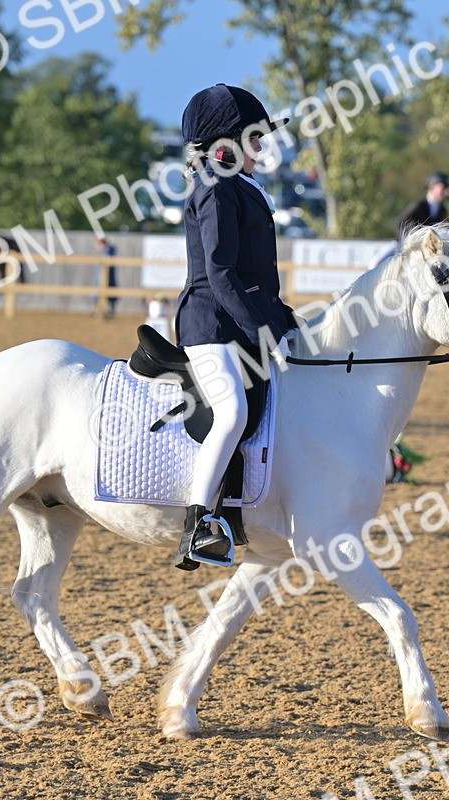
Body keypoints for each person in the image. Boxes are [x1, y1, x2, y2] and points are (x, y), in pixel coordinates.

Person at [173, 83, 297, 570]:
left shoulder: (236, 185)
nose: (262, 147)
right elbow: (222, 275)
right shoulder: (216, 187)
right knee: (231, 413)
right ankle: (199, 524)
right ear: (226, 142)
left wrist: (285, 322)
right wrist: (263, 329)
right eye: (256, 138)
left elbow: (256, 282)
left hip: (235, 322)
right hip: (210, 325)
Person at [396, 172, 449, 241]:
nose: (446, 192)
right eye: (443, 188)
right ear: (432, 186)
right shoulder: (419, 205)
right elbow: (401, 222)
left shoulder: (443, 209)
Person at [96, 237, 118, 318]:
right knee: (100, 294)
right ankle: (100, 311)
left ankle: (109, 312)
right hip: (103, 276)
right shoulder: (105, 251)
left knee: (110, 294)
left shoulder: (108, 251)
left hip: (108, 276)